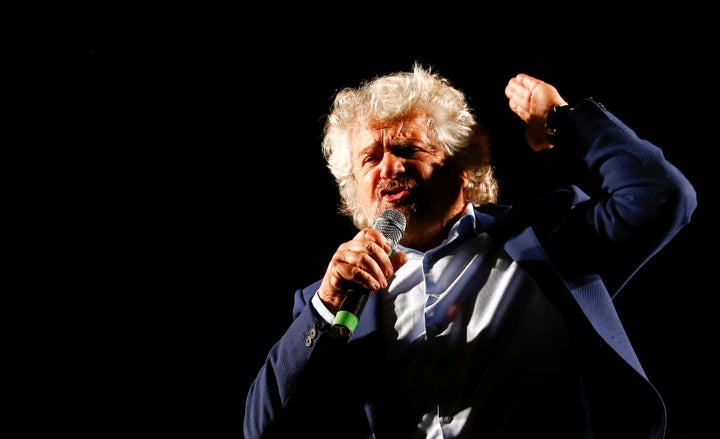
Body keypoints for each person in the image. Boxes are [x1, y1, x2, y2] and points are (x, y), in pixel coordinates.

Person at [243, 64, 696, 438]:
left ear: (464, 166)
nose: (390, 167)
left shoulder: (544, 241)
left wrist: (565, 119)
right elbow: (262, 429)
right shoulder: (331, 301)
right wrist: (325, 307)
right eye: (371, 158)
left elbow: (660, 196)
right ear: (354, 191)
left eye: (407, 148)